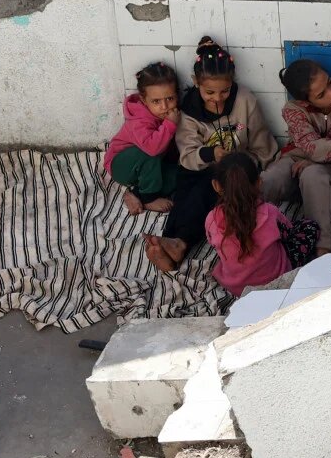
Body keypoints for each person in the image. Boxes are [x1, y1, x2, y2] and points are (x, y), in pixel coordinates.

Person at [145, 37, 279, 274]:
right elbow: (187, 154)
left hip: (236, 168)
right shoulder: (189, 109)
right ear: (196, 82)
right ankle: (171, 242)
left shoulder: (245, 100)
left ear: (232, 82)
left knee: (208, 190)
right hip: (199, 165)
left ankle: (180, 244)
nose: (217, 98)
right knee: (187, 193)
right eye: (209, 92)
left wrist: (252, 164)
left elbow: (261, 143)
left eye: (224, 91)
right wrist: (211, 154)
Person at [264, 59, 331, 254]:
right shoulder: (293, 110)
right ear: (305, 102)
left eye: (330, 82)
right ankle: (239, 227)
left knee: (313, 174)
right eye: (321, 95)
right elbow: (313, 148)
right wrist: (312, 158)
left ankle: (322, 251)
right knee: (272, 177)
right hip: (297, 164)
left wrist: (313, 162)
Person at [204, 153, 301, 296]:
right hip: (276, 281)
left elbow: (212, 242)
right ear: (259, 182)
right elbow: (289, 232)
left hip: (237, 288)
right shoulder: (270, 212)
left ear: (216, 185)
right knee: (309, 227)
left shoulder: (211, 219)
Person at [104, 62, 181, 215]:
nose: (164, 106)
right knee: (149, 151)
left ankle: (135, 194)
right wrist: (170, 125)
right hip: (122, 166)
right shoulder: (140, 121)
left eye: (170, 98)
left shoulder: (172, 113)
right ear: (144, 100)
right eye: (156, 101)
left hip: (148, 168)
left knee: (179, 176)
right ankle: (149, 198)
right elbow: (153, 149)